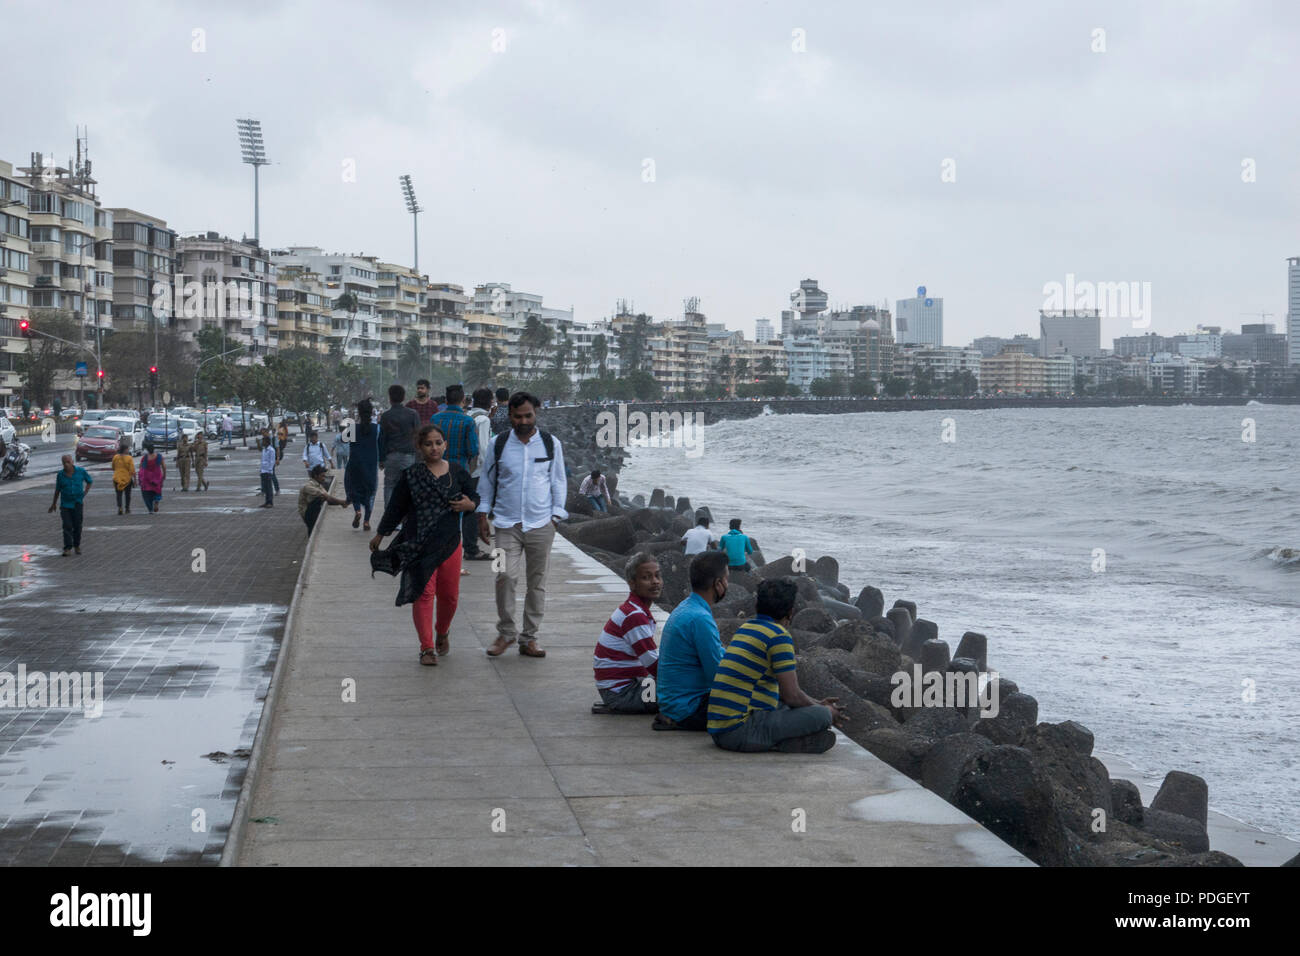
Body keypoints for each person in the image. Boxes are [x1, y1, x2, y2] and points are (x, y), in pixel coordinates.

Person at [370, 424, 480, 665]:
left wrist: (470, 506)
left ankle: (442, 631)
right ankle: (426, 648)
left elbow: (475, 497)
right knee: (424, 593)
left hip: (449, 543)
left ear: (445, 445)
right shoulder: (411, 475)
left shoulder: (458, 472)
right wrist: (381, 533)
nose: (434, 448)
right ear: (419, 447)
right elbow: (396, 508)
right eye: (428, 444)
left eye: (438, 443)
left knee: (449, 596)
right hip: (418, 544)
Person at [477, 392, 568, 659]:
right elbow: (487, 481)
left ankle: (529, 637)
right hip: (505, 524)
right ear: (511, 416)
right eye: (518, 416)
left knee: (537, 582)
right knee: (504, 576)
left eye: (528, 415)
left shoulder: (551, 445)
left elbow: (558, 481)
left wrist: (556, 516)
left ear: (536, 413)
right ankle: (506, 632)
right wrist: (482, 514)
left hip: (542, 524)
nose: (523, 421)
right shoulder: (498, 444)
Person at [707, 578, 845, 753]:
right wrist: (826, 711)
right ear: (790, 612)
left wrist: (817, 702)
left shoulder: (745, 629)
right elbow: (792, 696)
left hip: (719, 729)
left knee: (793, 708)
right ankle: (781, 743)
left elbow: (780, 694)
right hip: (739, 731)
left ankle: (786, 742)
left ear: (757, 606)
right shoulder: (778, 636)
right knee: (822, 716)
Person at [653, 551, 729, 731]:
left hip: (673, 704)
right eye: (726, 580)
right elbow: (717, 676)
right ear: (717, 584)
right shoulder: (700, 619)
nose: (727, 585)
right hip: (687, 709)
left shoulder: (685, 607)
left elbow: (716, 654)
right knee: (758, 702)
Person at [592, 553, 661, 715]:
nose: (655, 581)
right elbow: (654, 665)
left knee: (680, 684)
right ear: (632, 584)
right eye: (646, 577)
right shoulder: (634, 616)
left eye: (657, 576)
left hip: (626, 687)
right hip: (623, 693)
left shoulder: (633, 610)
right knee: (682, 693)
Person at [463, 387, 494, 561]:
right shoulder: (483, 419)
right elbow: (483, 447)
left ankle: (469, 545)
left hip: (466, 466)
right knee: (473, 508)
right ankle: (471, 548)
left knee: (467, 507)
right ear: (488, 401)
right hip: (477, 470)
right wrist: (486, 468)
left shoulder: (468, 416)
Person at [379, 384, 420, 508]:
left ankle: (389, 520)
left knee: (389, 486)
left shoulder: (386, 416)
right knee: (409, 488)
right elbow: (418, 435)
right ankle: (406, 519)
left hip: (391, 457)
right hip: (409, 456)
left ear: (390, 398)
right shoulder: (413, 414)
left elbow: (382, 439)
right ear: (403, 397)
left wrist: (381, 459)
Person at [344, 397, 380, 530]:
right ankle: (366, 521)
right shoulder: (377, 429)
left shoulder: (352, 428)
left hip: (354, 464)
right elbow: (380, 445)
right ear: (371, 413)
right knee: (370, 492)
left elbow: (343, 440)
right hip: (370, 466)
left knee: (353, 488)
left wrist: (350, 419)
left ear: (358, 412)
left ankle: (357, 510)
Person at [49, 454, 93, 555]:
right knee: (67, 525)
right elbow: (57, 490)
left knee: (77, 525)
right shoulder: (60, 475)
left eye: (68, 462)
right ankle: (67, 548)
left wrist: (84, 493)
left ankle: (77, 545)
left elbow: (89, 481)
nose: (66, 464)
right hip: (65, 505)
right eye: (64, 463)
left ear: (72, 462)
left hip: (77, 503)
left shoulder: (81, 471)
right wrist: (54, 503)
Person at [299, 464, 348, 536]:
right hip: (307, 512)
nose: (324, 478)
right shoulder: (308, 486)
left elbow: (328, 498)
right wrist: (342, 502)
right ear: (316, 476)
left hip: (312, 511)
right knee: (320, 498)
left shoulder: (318, 485)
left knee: (323, 498)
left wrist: (342, 502)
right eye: (322, 476)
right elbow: (326, 496)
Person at [138, 442, 166, 514]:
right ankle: (156, 503)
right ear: (154, 449)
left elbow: (141, 468)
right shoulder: (159, 456)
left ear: (147, 450)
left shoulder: (144, 458)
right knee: (157, 491)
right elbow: (164, 467)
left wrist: (140, 478)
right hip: (157, 477)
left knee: (146, 494)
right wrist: (164, 475)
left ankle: (150, 509)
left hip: (146, 478)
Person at [112, 439, 136, 514]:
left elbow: (113, 467)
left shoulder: (115, 457)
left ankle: (120, 507)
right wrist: (135, 480)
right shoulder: (129, 458)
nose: (128, 450)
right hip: (127, 478)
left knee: (119, 494)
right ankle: (127, 508)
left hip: (117, 478)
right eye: (128, 449)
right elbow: (132, 470)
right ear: (125, 450)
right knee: (127, 494)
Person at [258, 435, 276, 508]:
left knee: (269, 487)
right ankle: (266, 501)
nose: (262, 442)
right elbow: (263, 460)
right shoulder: (264, 450)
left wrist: (270, 471)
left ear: (267, 442)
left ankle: (270, 502)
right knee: (265, 487)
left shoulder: (271, 450)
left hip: (268, 471)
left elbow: (272, 461)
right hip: (263, 470)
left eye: (264, 441)